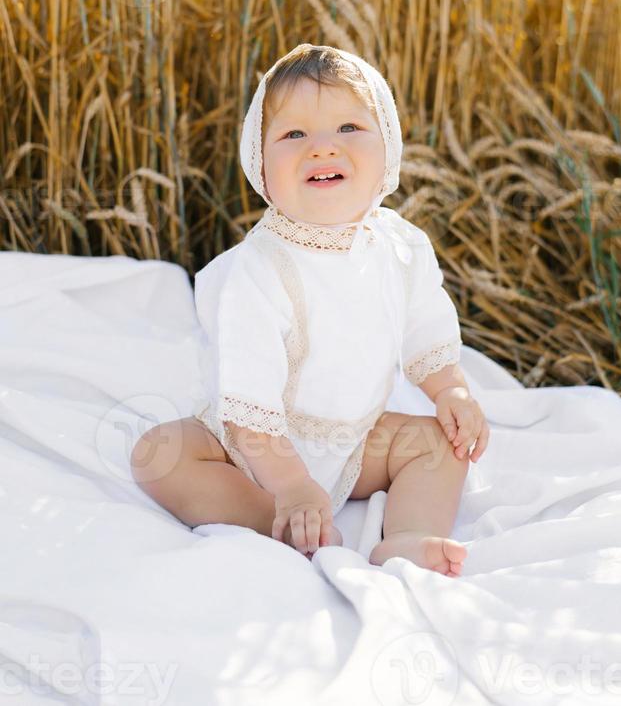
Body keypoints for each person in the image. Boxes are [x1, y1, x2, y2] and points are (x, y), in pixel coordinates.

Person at [131, 43, 490, 574]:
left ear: (387, 148)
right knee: (159, 454)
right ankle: (275, 520)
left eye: (349, 128)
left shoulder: (401, 246)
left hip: (355, 442)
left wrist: (450, 389)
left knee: (437, 444)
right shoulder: (256, 271)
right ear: (261, 167)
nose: (323, 148)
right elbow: (249, 407)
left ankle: (408, 538)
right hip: (250, 448)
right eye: (294, 134)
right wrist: (294, 486)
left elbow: (425, 331)